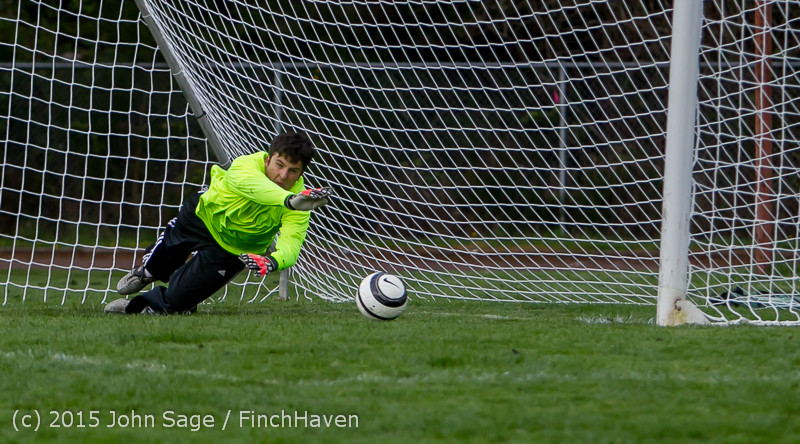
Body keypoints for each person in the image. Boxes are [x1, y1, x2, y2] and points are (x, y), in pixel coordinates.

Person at [104, 131, 332, 315]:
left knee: (176, 304)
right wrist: (288, 200)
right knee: (161, 262)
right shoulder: (246, 165)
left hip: (232, 249)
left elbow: (292, 244)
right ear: (267, 159)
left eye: (293, 171)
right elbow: (255, 188)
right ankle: (146, 272)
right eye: (279, 165)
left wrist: (273, 261)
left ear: (301, 173)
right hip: (202, 217)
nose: (283, 175)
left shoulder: (302, 202)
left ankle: (134, 307)